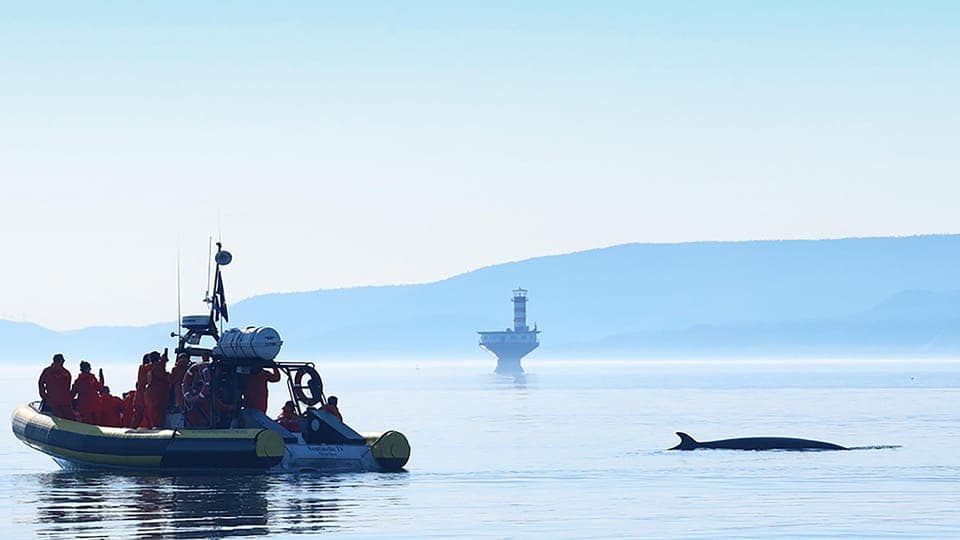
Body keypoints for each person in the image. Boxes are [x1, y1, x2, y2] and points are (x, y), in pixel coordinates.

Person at [38, 353, 75, 420]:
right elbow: (68, 389)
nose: (63, 361)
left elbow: (41, 384)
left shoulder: (49, 371)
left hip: (56, 401)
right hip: (61, 402)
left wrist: (44, 396)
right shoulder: (66, 373)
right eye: (62, 360)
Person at [143, 349, 171, 428]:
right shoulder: (156, 368)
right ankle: (157, 427)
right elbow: (165, 376)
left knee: (153, 413)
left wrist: (164, 359)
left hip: (152, 395)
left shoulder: (151, 367)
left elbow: (162, 365)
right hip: (156, 396)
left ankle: (154, 426)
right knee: (157, 414)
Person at [130, 354, 152, 428]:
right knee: (138, 415)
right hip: (141, 397)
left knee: (147, 415)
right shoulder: (143, 368)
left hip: (144, 396)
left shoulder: (146, 369)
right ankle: (133, 428)